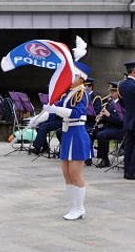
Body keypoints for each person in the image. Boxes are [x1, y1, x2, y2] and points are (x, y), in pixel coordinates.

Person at [29, 61, 93, 220]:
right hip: (67, 132)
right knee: (67, 173)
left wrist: (55, 109)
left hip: (77, 132)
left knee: (75, 174)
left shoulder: (81, 92)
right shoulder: (68, 93)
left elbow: (76, 113)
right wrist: (36, 120)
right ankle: (74, 207)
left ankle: (79, 208)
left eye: (73, 75)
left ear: (80, 78)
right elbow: (52, 110)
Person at [92, 81, 125, 168]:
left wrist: (108, 115)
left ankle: (105, 159)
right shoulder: (110, 102)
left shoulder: (122, 104)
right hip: (110, 127)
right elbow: (107, 118)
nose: (110, 94)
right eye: (110, 92)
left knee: (102, 135)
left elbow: (121, 121)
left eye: (112, 92)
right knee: (93, 132)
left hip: (120, 129)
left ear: (118, 92)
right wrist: (101, 118)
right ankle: (92, 157)